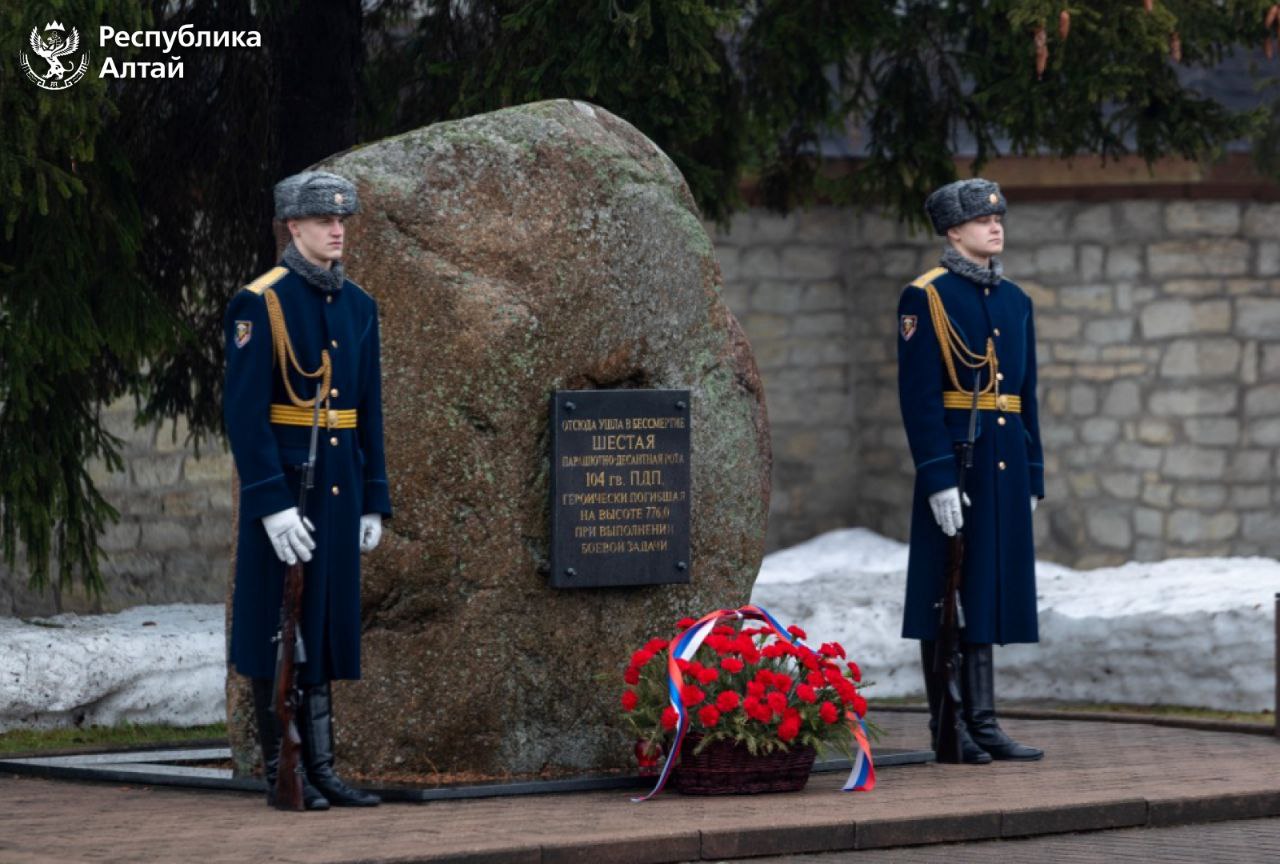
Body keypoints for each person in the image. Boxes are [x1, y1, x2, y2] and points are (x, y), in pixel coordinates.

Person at [224, 170, 392, 808]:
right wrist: (269, 504)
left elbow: (368, 409)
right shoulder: (259, 302)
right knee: (278, 628)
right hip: (288, 487)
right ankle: (281, 771)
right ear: (293, 227)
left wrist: (374, 495)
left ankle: (321, 768)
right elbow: (244, 414)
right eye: (324, 220)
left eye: (342, 219)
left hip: (339, 487)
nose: (337, 229)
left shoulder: (359, 305)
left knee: (320, 625)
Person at [896, 178, 1044, 764]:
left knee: (985, 586)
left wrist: (1032, 472)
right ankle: (949, 724)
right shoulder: (925, 296)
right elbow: (919, 397)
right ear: (953, 231)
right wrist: (936, 476)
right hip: (958, 459)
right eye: (982, 220)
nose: (995, 226)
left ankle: (984, 721)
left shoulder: (1015, 300)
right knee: (944, 592)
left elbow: (1028, 395)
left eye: (999, 217)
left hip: (1003, 464)